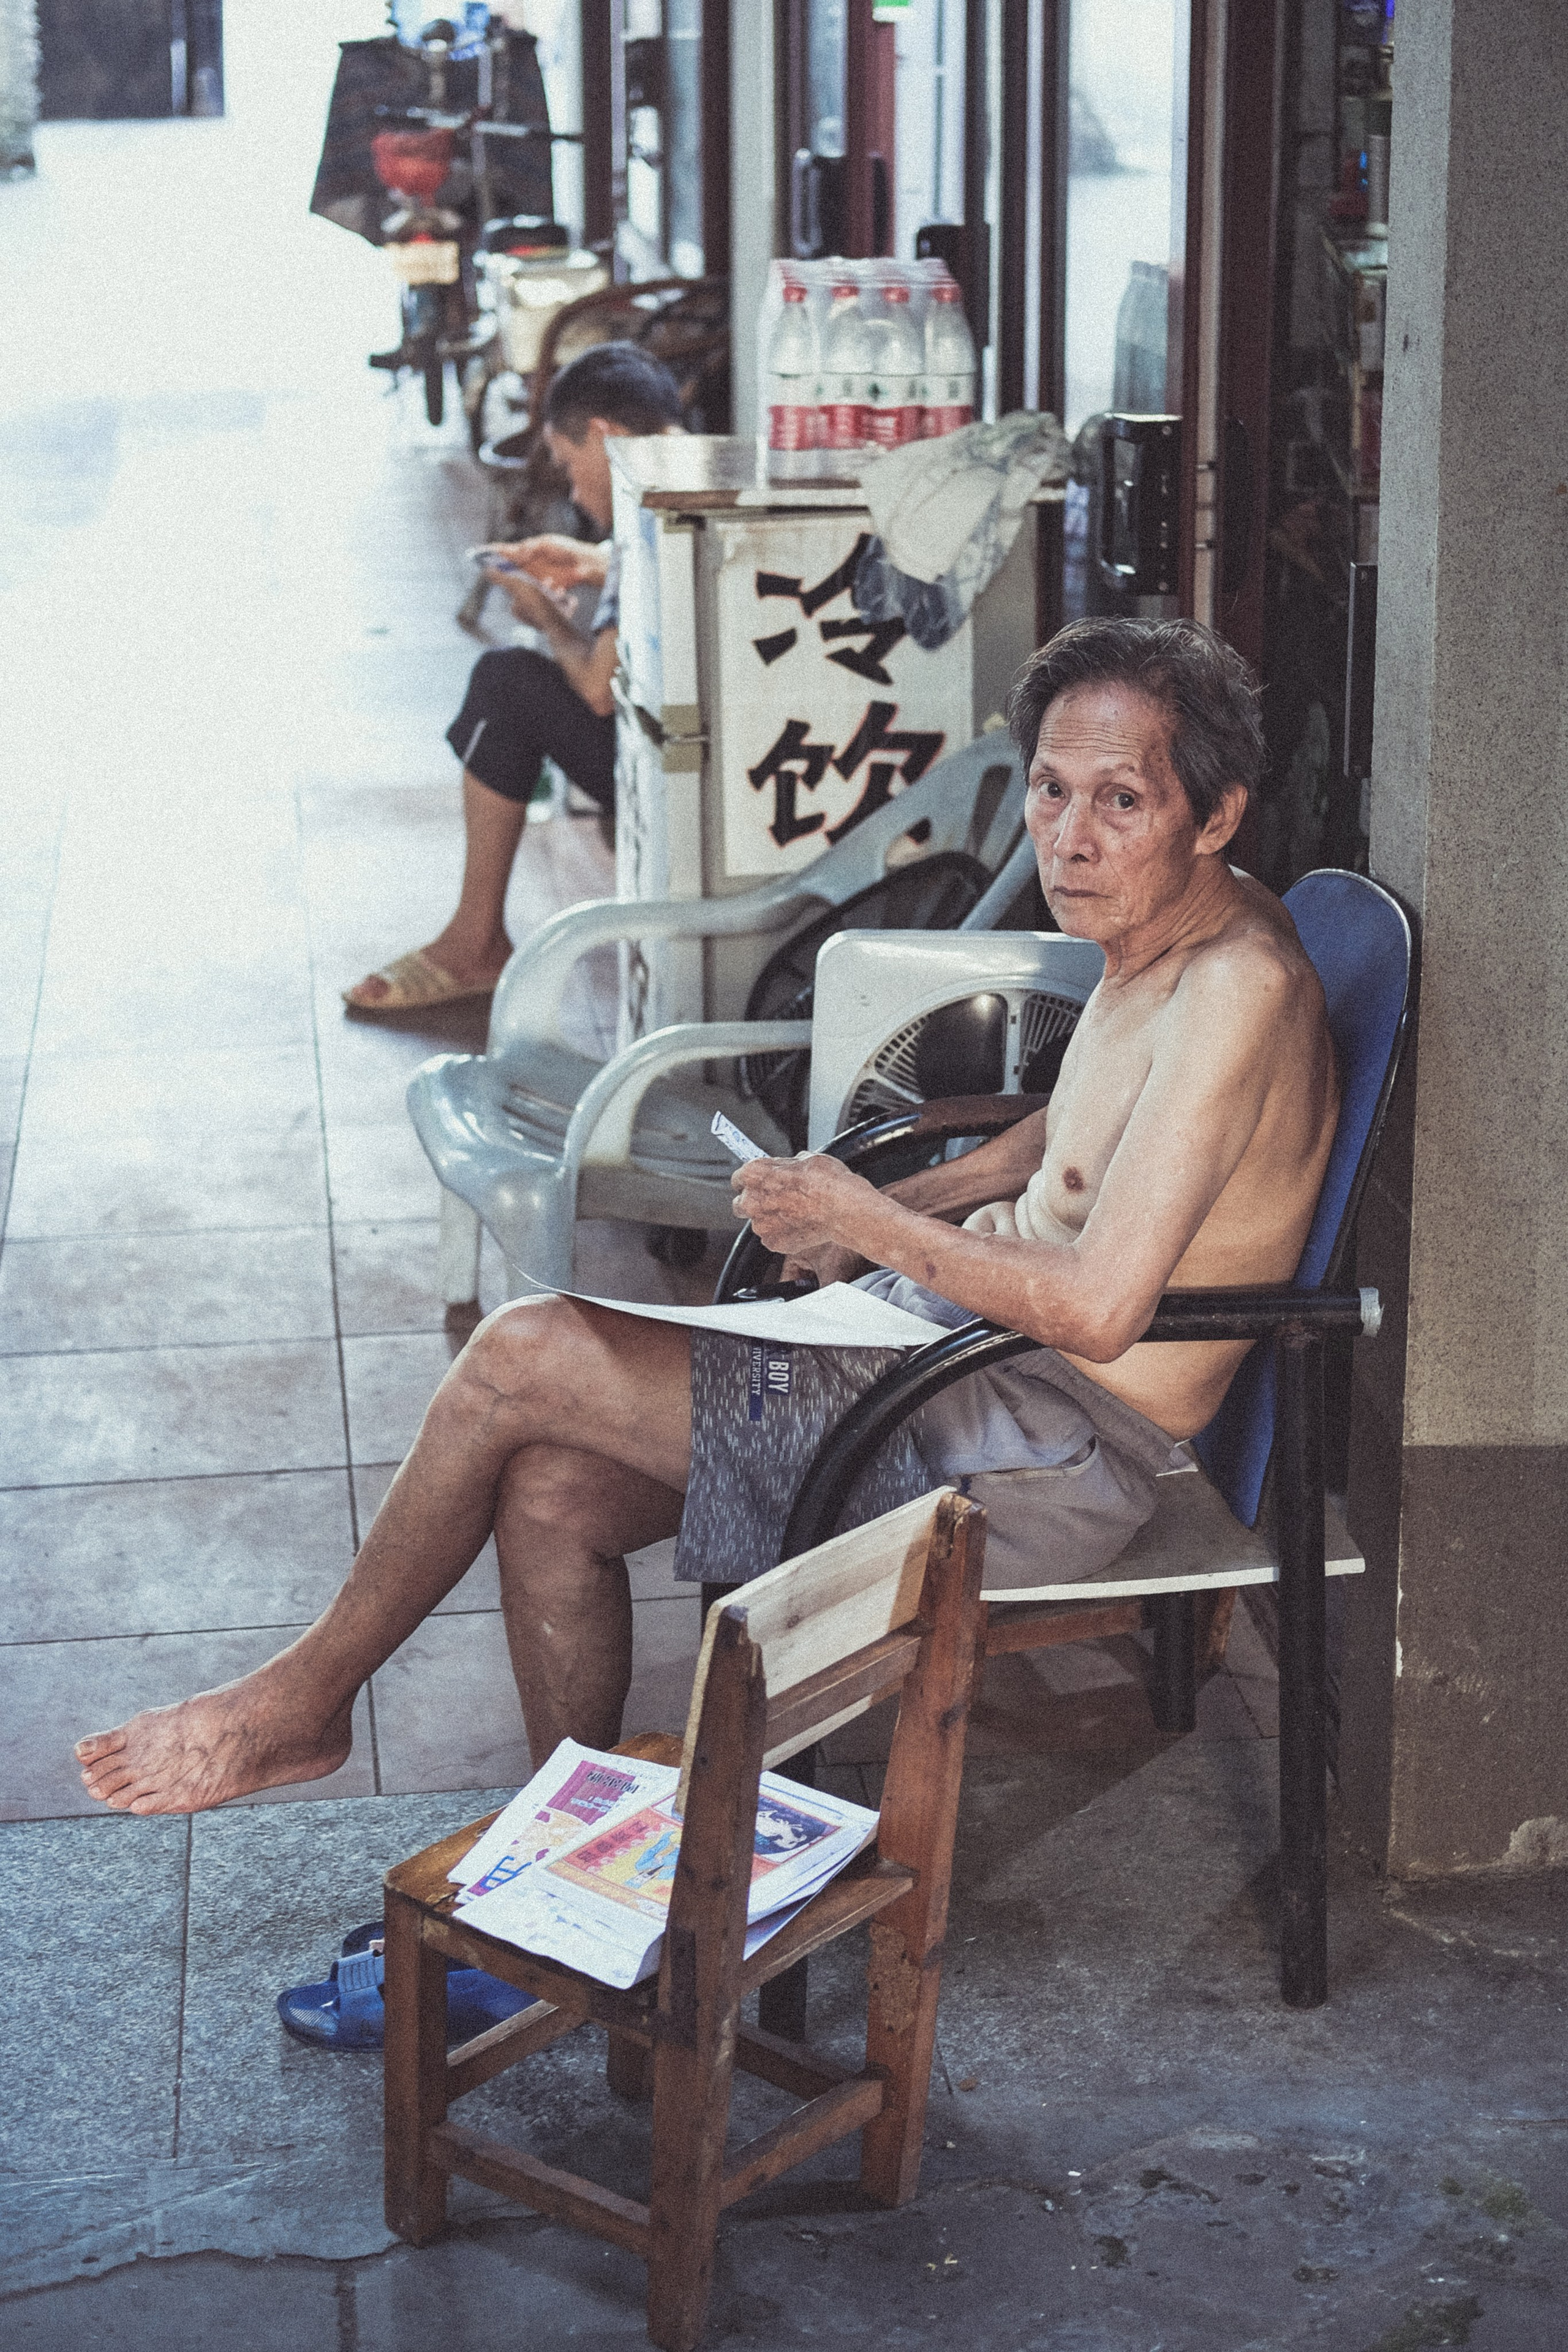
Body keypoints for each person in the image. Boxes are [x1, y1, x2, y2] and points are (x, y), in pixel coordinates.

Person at [76, 617, 1340, 1817]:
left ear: (1213, 815)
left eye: (1120, 802)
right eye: (1049, 790)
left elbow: (1099, 1307)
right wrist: (887, 1211)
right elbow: (1067, 1132)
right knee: (555, 1490)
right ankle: (567, 1856)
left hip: (1049, 1455)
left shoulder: (1233, 987)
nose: (1067, 839)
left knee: (522, 1353)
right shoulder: (1183, 924)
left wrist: (872, 1222)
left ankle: (303, 1700)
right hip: (954, 1363)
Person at [343, 342, 685, 1013]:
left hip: (672, 773)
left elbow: (593, 686)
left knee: (507, 683)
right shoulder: (689, 466)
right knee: (508, 687)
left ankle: (474, 945)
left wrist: (546, 621)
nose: (576, 492)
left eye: (567, 464)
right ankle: (475, 941)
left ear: (603, 435)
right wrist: (592, 563)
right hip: (719, 754)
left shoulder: (646, 513)